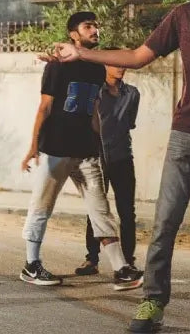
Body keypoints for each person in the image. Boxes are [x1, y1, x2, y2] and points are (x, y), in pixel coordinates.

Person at [46, 0, 190, 334]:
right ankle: (152, 302)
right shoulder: (184, 16)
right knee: (166, 223)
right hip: (187, 135)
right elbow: (136, 57)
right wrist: (82, 55)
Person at [20, 11, 143, 291]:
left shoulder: (97, 67)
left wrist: (98, 143)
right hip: (56, 148)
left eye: (96, 26)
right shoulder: (57, 67)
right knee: (42, 206)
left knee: (101, 210)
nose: (95, 30)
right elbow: (45, 107)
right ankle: (31, 264)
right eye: (89, 26)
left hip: (86, 150)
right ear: (73, 34)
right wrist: (33, 146)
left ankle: (121, 268)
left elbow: (94, 110)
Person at [75, 60, 140, 277]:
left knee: (127, 212)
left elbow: (130, 123)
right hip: (97, 158)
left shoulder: (132, 94)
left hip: (122, 158)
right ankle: (91, 259)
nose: (121, 67)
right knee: (96, 211)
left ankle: (128, 261)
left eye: (123, 64)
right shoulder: (95, 93)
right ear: (105, 67)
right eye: (115, 64)